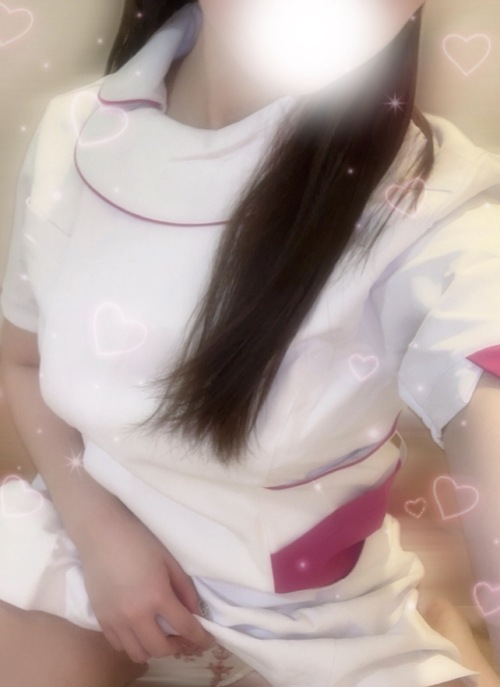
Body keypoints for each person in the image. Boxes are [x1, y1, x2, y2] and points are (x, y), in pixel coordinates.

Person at [0, 0, 500, 685]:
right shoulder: (79, 133)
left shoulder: (438, 207)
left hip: (317, 618)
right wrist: (102, 535)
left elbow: (482, 364)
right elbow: (21, 357)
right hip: (85, 538)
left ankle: (439, 630)